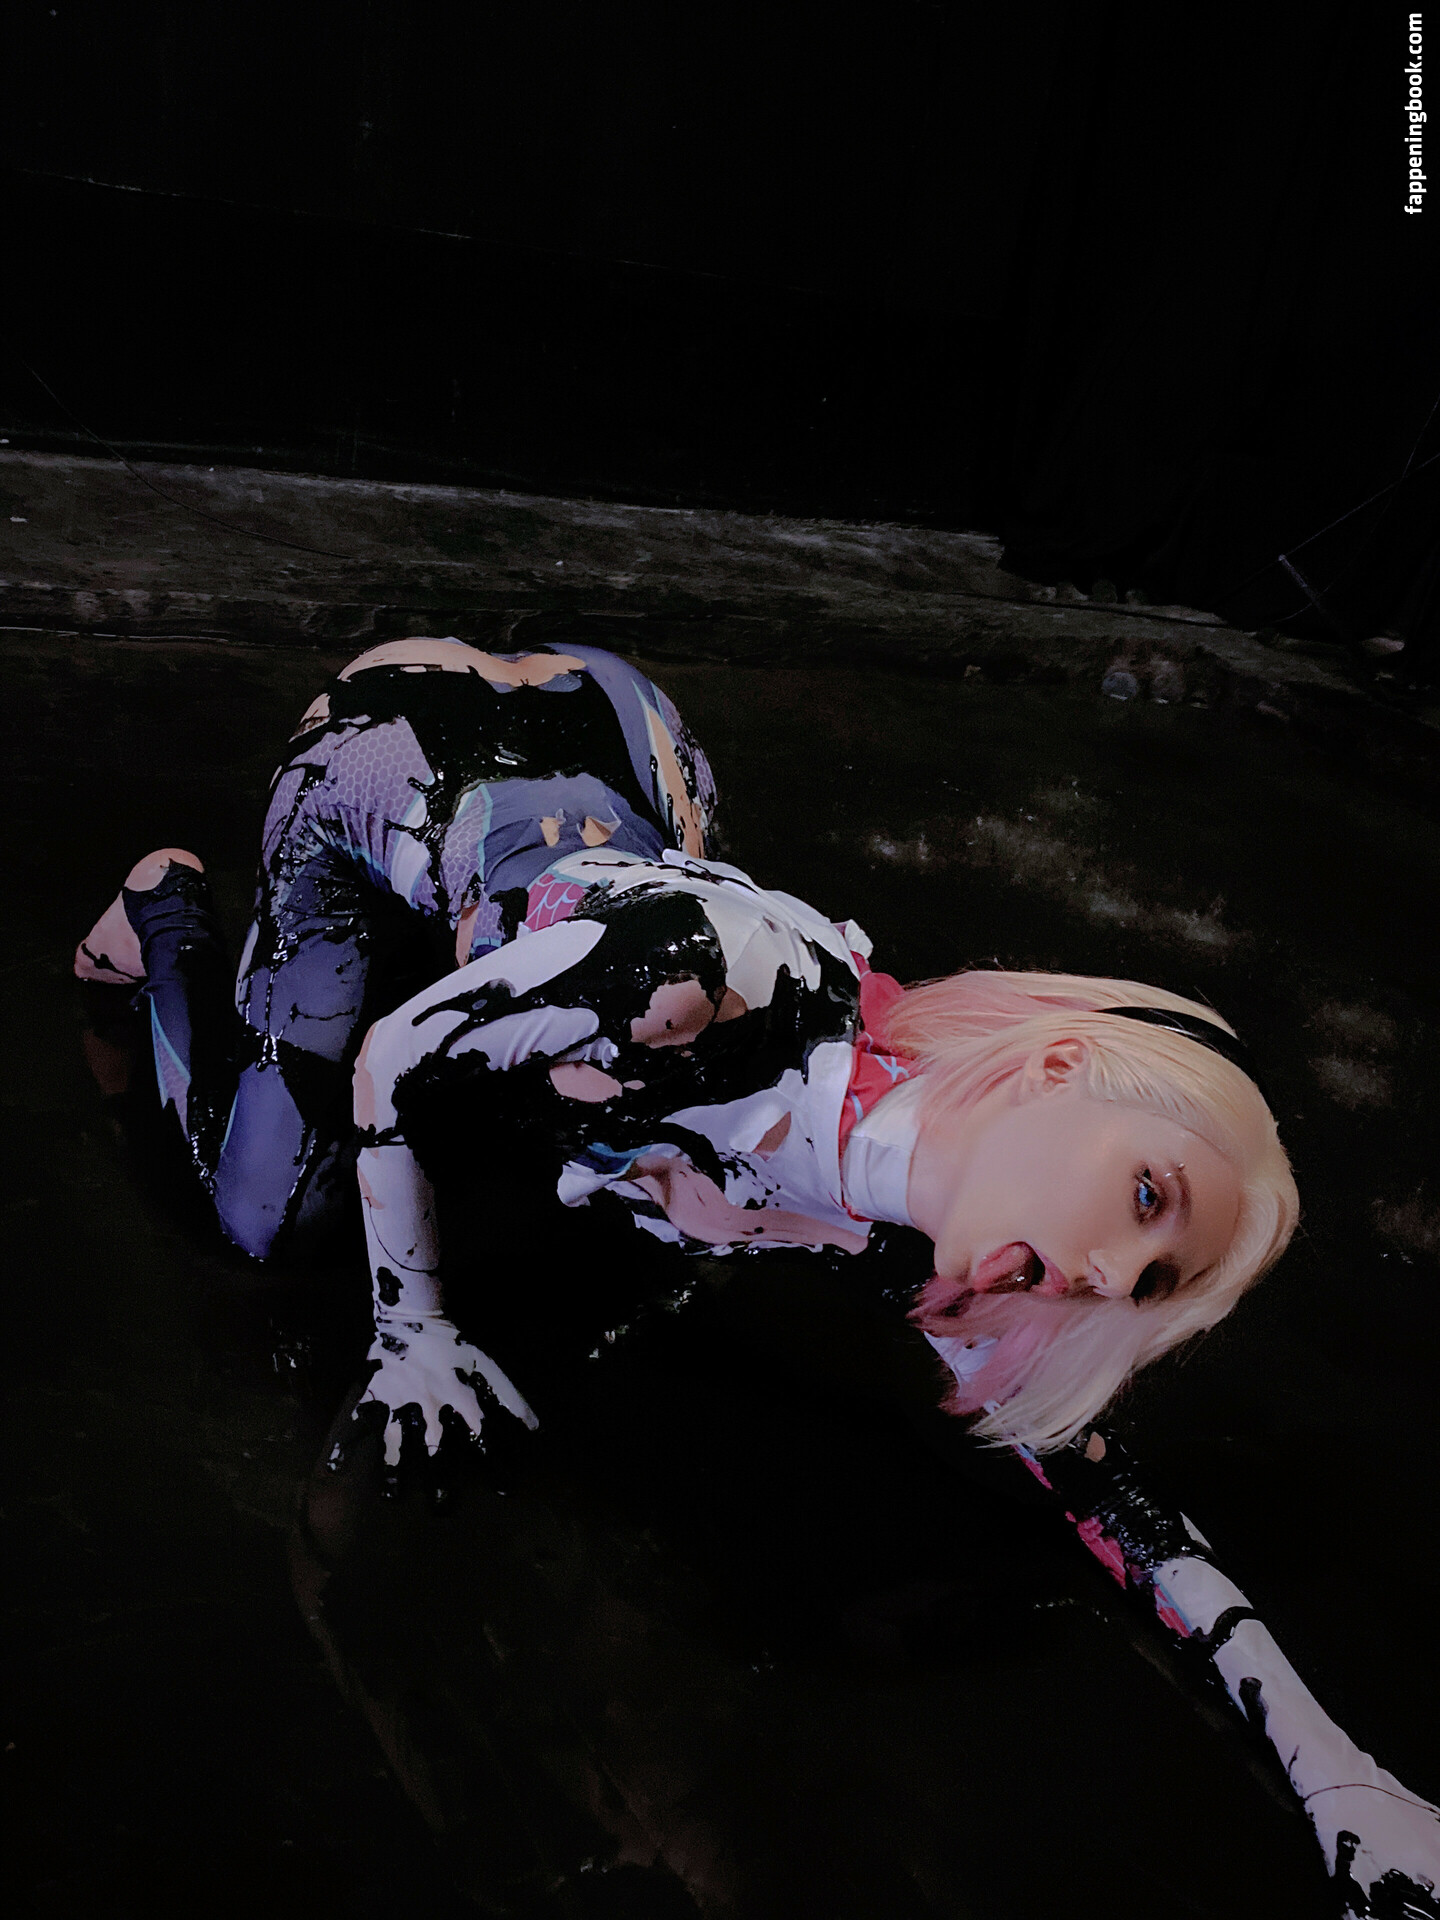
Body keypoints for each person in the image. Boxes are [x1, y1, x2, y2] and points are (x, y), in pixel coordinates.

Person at [75, 635, 1439, 1915]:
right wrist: (411, 1328)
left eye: (1147, 1286)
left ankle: (514, 981)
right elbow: (400, 1061)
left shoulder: (942, 1238)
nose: (1100, 1274)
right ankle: (164, 914)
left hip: (627, 766)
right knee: (274, 1216)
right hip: (412, 749)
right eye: (1148, 1198)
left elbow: (1112, 1505)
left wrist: (1343, 1778)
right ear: (1062, 1071)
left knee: (544, 1104)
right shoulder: (704, 988)